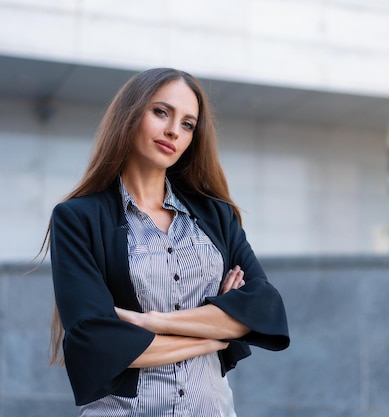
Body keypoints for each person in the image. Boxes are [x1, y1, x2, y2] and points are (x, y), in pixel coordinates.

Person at [46, 67, 289, 416]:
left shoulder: (216, 216)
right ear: (130, 116)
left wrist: (153, 323)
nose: (173, 130)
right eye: (161, 112)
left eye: (188, 124)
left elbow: (263, 309)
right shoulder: (78, 218)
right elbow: (94, 341)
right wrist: (212, 332)